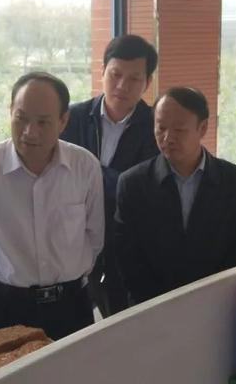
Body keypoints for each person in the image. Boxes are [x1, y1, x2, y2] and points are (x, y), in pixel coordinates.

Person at [0, 72, 104, 341]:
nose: (30, 132)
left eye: (43, 122)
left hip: (72, 307)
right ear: (10, 112)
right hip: (5, 308)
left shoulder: (85, 166)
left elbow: (94, 238)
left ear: (63, 121)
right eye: (22, 118)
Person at [115, 87, 236, 304]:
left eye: (179, 130)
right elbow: (128, 258)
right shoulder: (133, 184)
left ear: (203, 128)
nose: (168, 138)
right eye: (161, 128)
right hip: (152, 308)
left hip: (218, 305)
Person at [60, 34, 159, 316]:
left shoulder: (156, 127)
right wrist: (114, 178)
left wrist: (89, 171)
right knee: (74, 321)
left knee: (122, 321)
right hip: (74, 237)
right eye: (115, 74)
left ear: (147, 83)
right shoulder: (72, 118)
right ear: (102, 71)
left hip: (126, 243)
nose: (122, 85)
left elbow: (142, 190)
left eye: (134, 78)